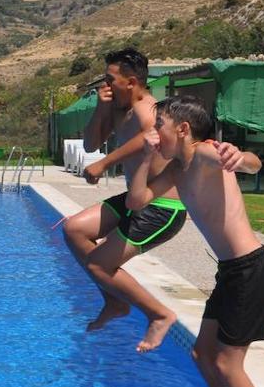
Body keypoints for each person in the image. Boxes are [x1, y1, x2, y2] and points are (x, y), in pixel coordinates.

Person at [129, 95, 264, 387]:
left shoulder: (208, 153)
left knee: (229, 363)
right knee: (201, 354)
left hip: (251, 270)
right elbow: (137, 200)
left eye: (158, 124)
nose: (153, 131)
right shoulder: (178, 171)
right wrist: (145, 159)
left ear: (182, 129)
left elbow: (251, 162)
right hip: (230, 272)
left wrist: (238, 155)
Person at [61, 48, 184, 352]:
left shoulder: (150, 109)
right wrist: (101, 109)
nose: (105, 85)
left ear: (131, 82)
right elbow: (91, 143)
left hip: (161, 207)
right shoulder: (117, 108)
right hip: (135, 199)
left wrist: (104, 164)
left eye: (110, 80)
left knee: (99, 265)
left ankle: (160, 314)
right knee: (74, 229)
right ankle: (114, 301)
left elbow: (146, 139)